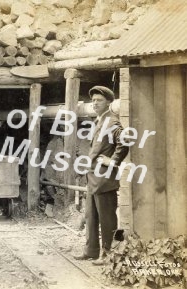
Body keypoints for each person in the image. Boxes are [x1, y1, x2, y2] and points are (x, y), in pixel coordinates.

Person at [74, 86, 129, 265]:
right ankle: (91, 251)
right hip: (93, 179)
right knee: (91, 216)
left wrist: (113, 161)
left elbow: (125, 141)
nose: (95, 103)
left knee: (107, 219)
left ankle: (108, 255)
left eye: (99, 100)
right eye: (94, 100)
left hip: (104, 180)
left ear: (108, 103)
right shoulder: (100, 121)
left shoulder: (112, 121)